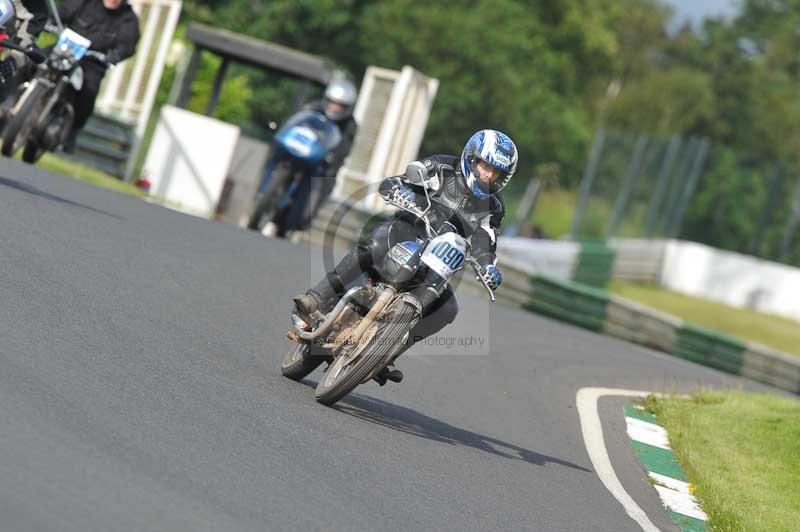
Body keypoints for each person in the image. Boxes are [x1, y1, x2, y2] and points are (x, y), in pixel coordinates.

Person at [293, 129, 518, 384]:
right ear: (472, 158)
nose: (488, 174)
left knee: (447, 309)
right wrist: (402, 193)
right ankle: (317, 297)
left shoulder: (494, 206)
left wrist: (488, 265)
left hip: (436, 262)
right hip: (405, 232)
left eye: (495, 171)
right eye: (485, 165)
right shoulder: (442, 167)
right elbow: (397, 181)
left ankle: (387, 354)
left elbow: (485, 240)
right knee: (374, 245)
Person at [58, 0, 140, 152]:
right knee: (36, 60)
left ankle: (72, 130)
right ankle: (13, 100)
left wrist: (115, 56)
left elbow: (127, 46)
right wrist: (52, 22)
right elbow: (62, 13)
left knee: (88, 93)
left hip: (92, 64)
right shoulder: (84, 2)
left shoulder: (128, 19)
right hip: (64, 52)